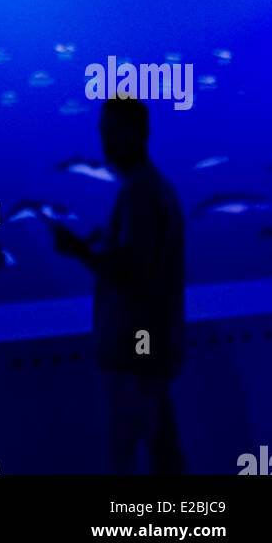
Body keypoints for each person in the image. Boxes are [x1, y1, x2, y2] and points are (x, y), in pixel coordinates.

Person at [50, 96, 186, 474]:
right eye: (103, 132)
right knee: (163, 454)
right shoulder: (154, 188)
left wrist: (79, 250)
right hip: (149, 350)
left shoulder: (140, 191)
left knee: (126, 460)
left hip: (134, 352)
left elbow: (133, 280)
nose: (105, 142)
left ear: (137, 134)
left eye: (112, 132)